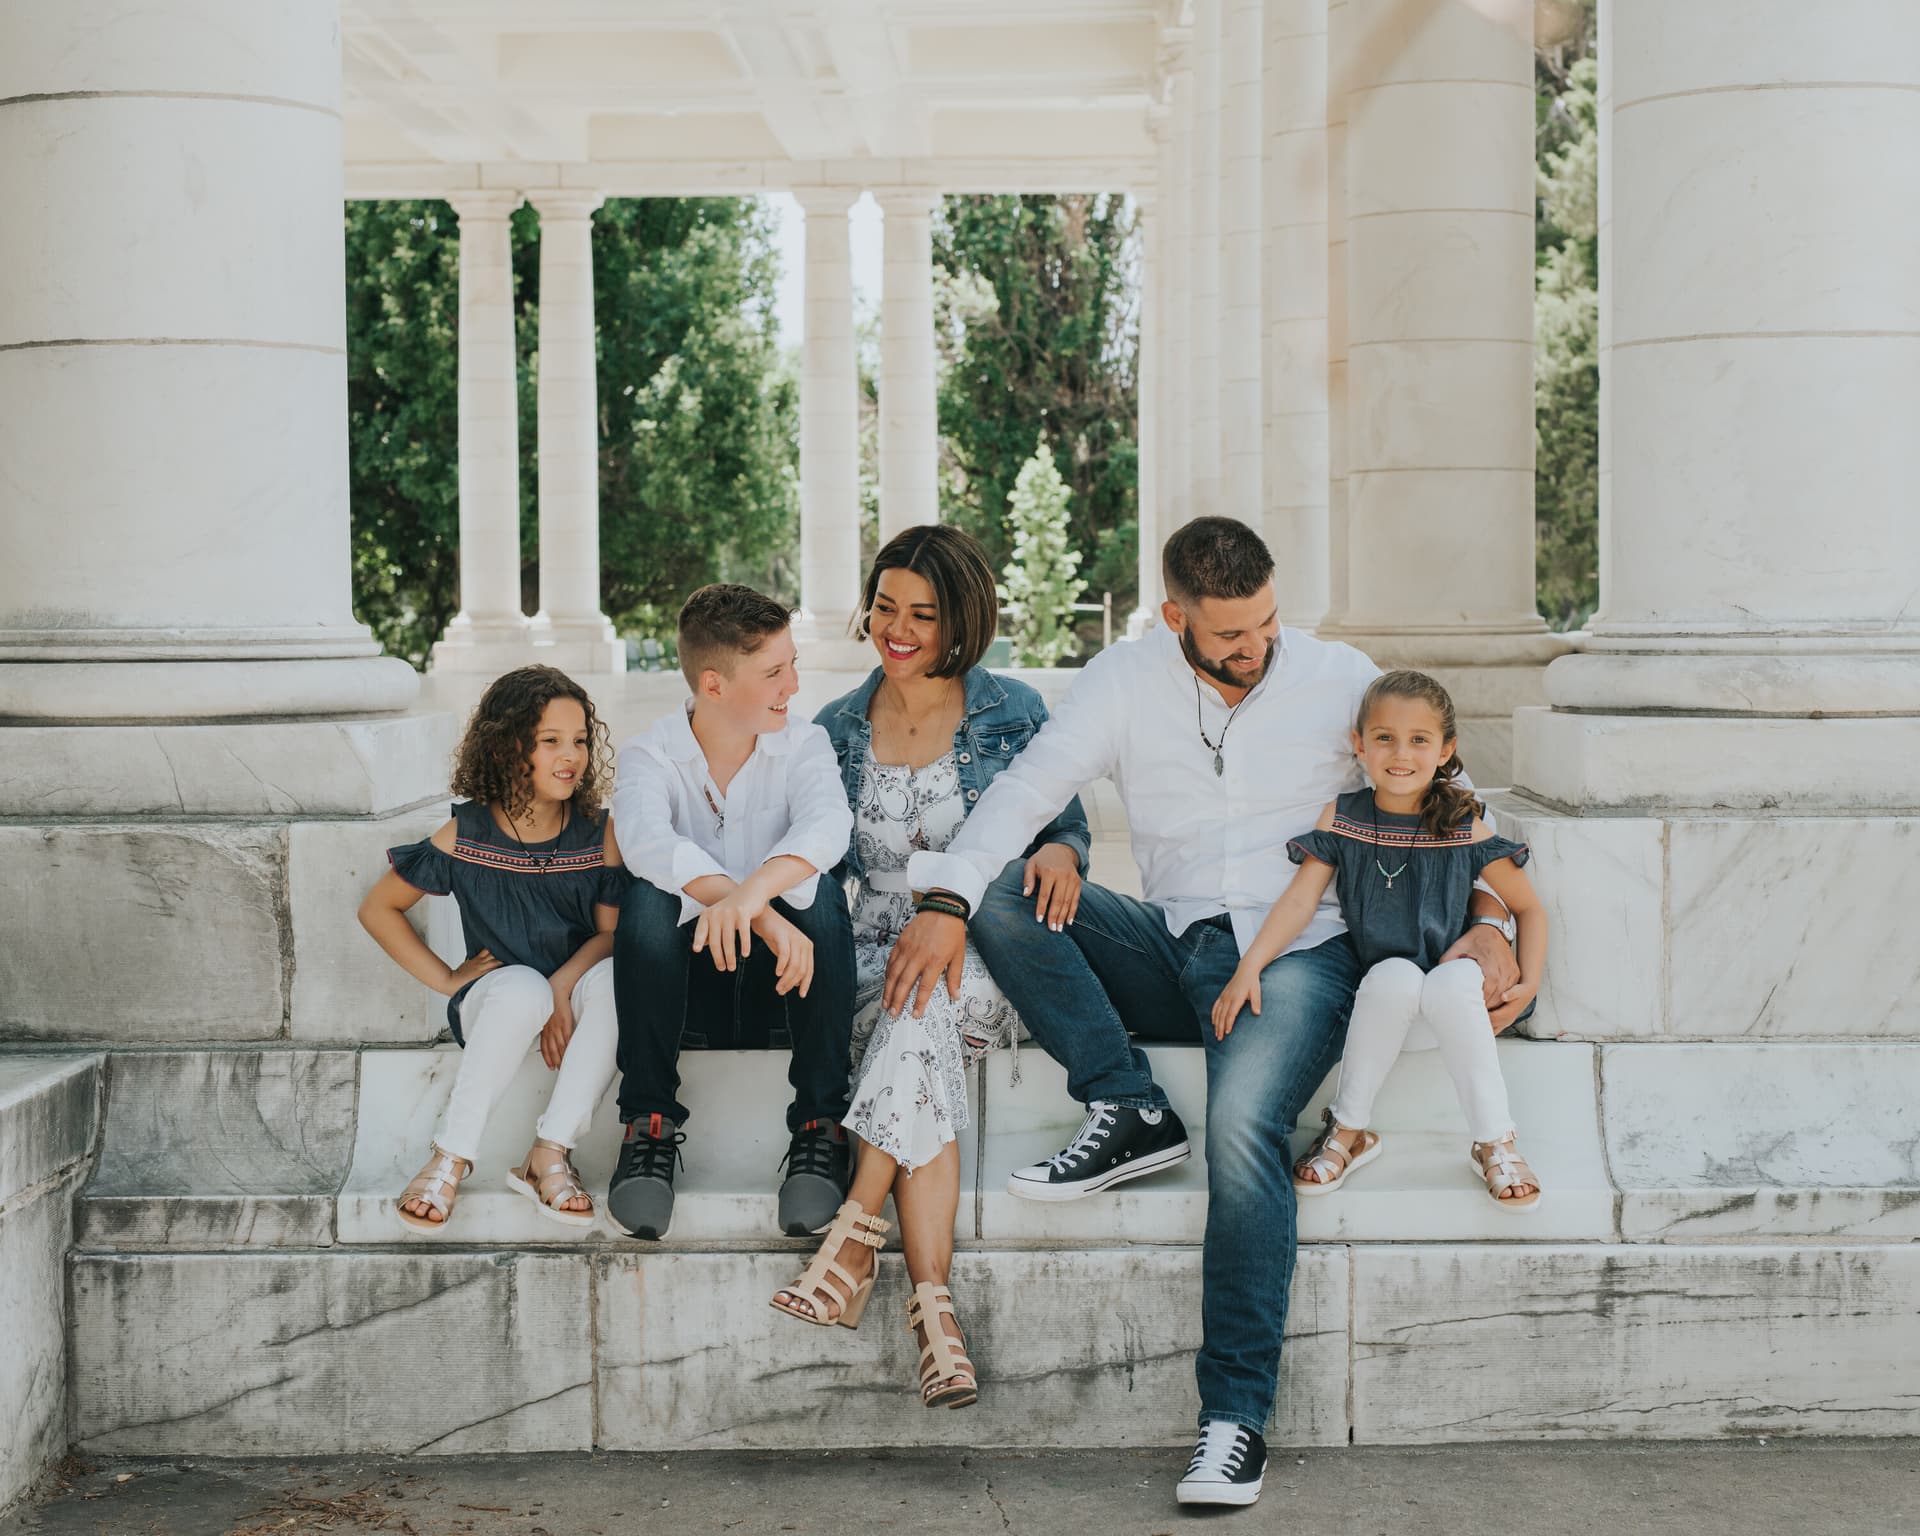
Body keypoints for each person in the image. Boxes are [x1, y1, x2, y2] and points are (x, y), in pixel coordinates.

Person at [883, 518, 1525, 1508]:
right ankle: (1129, 1103)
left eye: (1265, 621)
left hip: (1302, 956)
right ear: (1174, 613)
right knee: (1005, 889)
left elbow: (1448, 790)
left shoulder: (1336, 676)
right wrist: (943, 900)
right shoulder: (1123, 680)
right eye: (1228, 632)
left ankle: (1233, 1420)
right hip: (1175, 940)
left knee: (1240, 1127)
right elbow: (1025, 789)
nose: (1253, 646)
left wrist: (1488, 921)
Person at [768, 525, 1093, 1411]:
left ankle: (853, 1239)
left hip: (983, 953)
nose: (898, 630)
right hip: (869, 955)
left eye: (922, 614)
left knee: (926, 1007)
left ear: (963, 621)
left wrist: (1063, 853)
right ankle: (935, 1320)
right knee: (915, 1027)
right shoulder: (836, 727)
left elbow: (1063, 823)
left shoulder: (1014, 711)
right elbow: (811, 853)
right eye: (884, 608)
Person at [1212, 669, 1546, 1210]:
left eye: (1419, 740)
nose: (1401, 753)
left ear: (1446, 749)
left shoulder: (1463, 822)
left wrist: (1528, 984)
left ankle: (1496, 1141)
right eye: (1385, 737)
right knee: (1392, 975)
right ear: (1359, 744)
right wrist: (1249, 966)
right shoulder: (1344, 818)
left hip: (1458, 1000)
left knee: (1450, 981)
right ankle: (1348, 1131)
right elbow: (1300, 901)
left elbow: (1529, 906)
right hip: (1385, 1007)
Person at [606, 584, 857, 1241]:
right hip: (683, 994)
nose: (794, 685)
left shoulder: (804, 746)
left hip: (789, 989)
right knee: (651, 896)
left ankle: (820, 1127)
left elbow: (829, 827)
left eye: (793, 664)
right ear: (713, 685)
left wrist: (751, 899)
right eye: (775, 672)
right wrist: (757, 911)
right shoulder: (648, 755)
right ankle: (648, 1129)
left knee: (820, 892)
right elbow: (646, 843)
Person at [360, 665, 630, 1233]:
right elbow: (378, 908)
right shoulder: (467, 833)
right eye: (550, 741)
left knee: (616, 982)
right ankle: (450, 1157)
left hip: (576, 987)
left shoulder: (597, 830)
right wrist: (445, 980)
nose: (572, 756)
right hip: (500, 996)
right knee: (522, 987)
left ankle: (549, 1152)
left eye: (580, 740)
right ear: (510, 748)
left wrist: (562, 986)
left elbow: (610, 935)